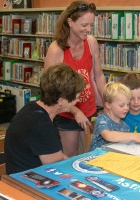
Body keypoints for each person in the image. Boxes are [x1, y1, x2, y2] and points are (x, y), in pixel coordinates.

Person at [44, 1, 106, 157]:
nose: (89, 29)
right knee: (71, 154)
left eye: (91, 25)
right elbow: (50, 89)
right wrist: (75, 110)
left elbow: (98, 75)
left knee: (92, 153)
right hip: (66, 112)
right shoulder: (56, 49)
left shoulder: (91, 42)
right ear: (70, 22)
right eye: (84, 25)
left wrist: (107, 102)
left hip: (90, 108)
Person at [4, 63, 86, 174]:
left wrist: (77, 162)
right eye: (76, 98)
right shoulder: (43, 126)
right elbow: (56, 167)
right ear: (61, 101)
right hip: (26, 183)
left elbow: (55, 155)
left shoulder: (32, 107)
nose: (78, 101)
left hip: (21, 172)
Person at [88, 82, 140, 151]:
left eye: (128, 104)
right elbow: (108, 135)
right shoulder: (102, 119)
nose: (126, 108)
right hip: (96, 159)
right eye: (122, 105)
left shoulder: (125, 126)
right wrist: (133, 136)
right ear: (108, 105)